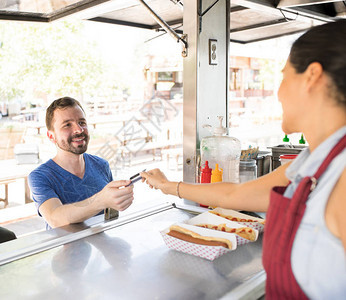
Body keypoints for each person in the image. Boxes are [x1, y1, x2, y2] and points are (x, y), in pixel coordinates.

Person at [141, 20, 346, 299]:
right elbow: (238, 192)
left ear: (312, 77)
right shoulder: (315, 159)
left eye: (285, 77)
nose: (279, 92)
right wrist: (169, 186)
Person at [28, 97, 134, 229]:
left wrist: (119, 200)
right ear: (51, 136)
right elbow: (55, 218)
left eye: (82, 122)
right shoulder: (40, 176)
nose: (79, 130)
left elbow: (109, 216)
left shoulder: (102, 165)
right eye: (67, 125)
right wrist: (101, 200)